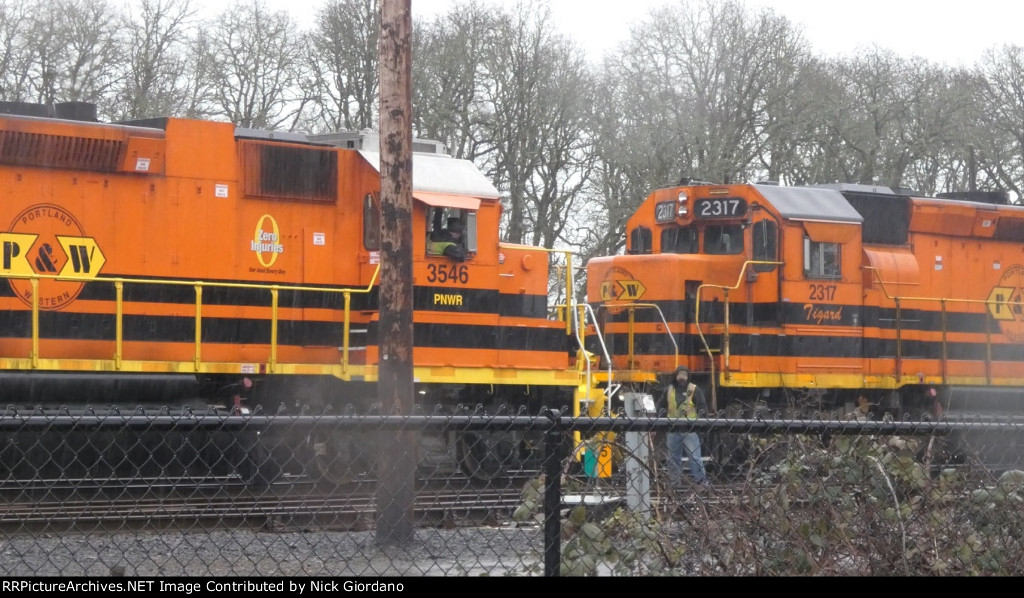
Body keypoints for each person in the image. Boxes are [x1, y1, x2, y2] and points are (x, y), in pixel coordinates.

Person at [661, 365, 710, 487]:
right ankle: (675, 483)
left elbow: (702, 408)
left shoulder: (694, 390)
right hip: (673, 430)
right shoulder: (669, 390)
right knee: (673, 459)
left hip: (689, 430)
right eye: (680, 375)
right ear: (675, 375)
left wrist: (700, 425)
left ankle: (701, 482)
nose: (682, 378)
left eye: (684, 375)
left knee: (694, 457)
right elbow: (661, 406)